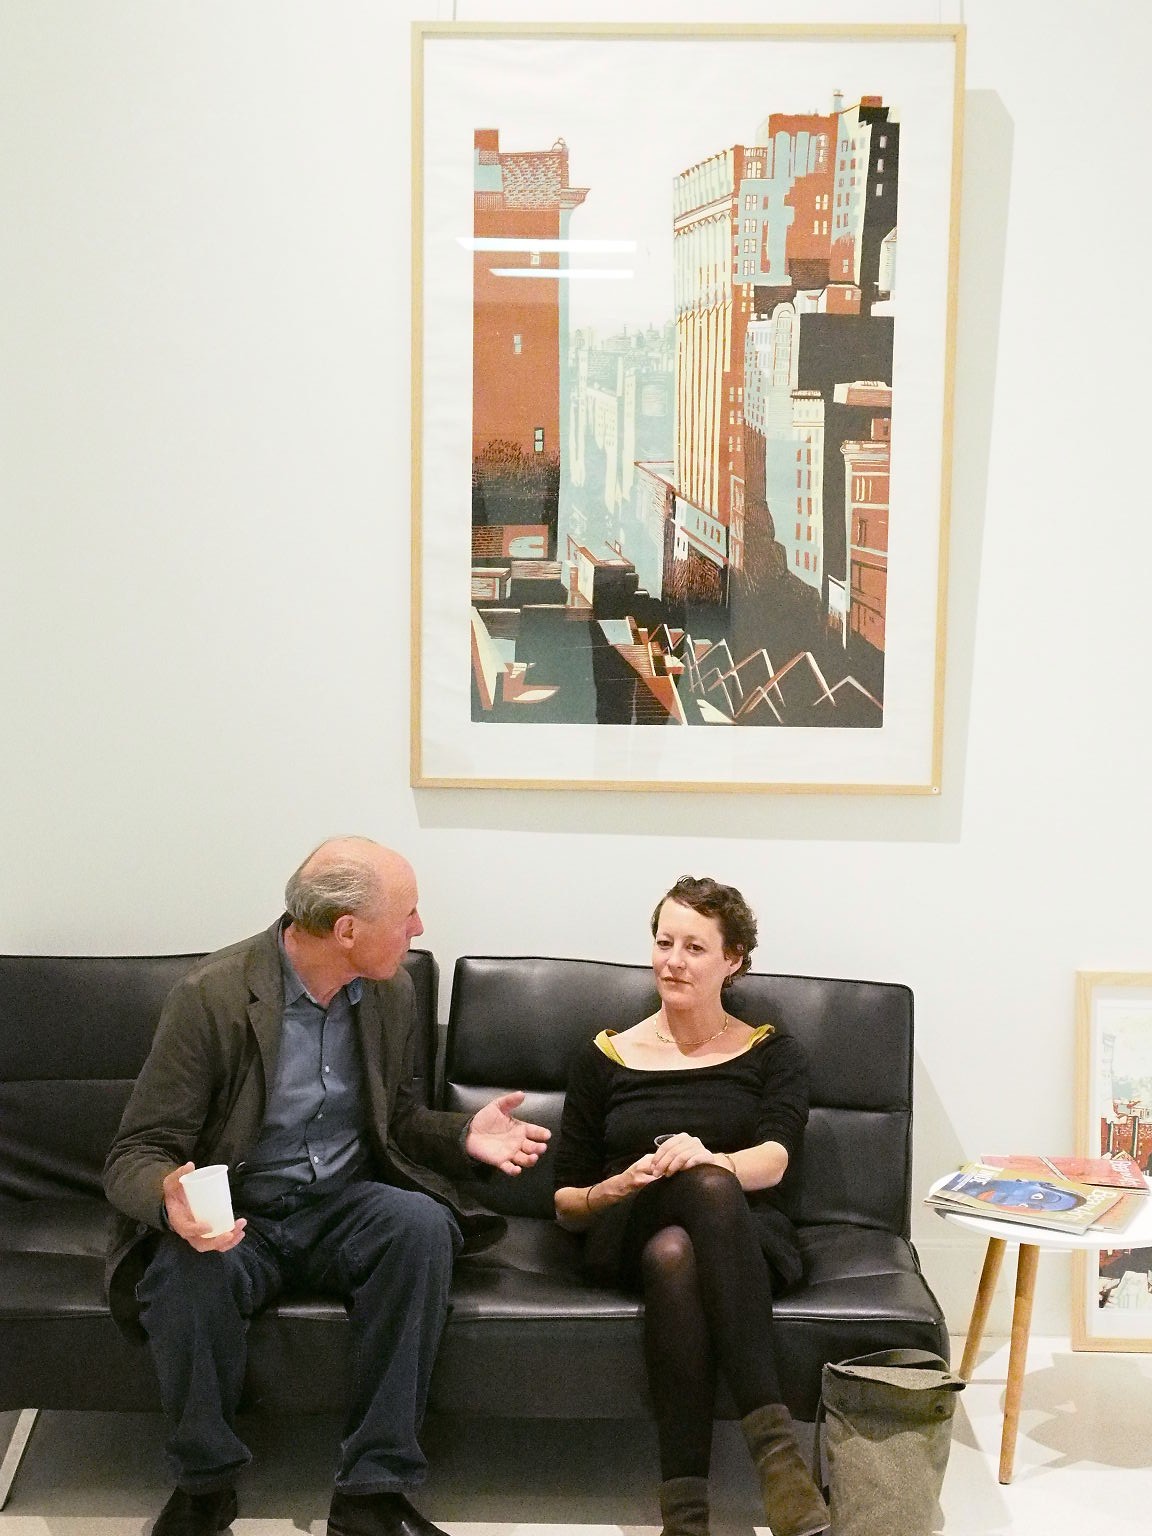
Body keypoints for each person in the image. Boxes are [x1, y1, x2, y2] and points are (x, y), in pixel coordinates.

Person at [104, 836, 550, 1536]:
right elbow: (136, 1150)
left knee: (419, 1226)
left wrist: (464, 1134)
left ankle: (372, 1493)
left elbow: (398, 1120)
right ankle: (205, 1486)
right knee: (184, 1272)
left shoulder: (390, 993)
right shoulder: (212, 998)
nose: (419, 927)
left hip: (342, 1206)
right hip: (242, 1218)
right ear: (346, 931)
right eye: (406, 913)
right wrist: (170, 1196)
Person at [553, 876, 829, 1536]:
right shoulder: (605, 1056)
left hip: (741, 1231)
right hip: (626, 1222)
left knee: (678, 1250)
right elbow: (564, 1200)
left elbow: (775, 1159)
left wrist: (712, 1161)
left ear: (733, 959)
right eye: (664, 943)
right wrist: (618, 1186)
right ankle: (778, 1458)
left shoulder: (771, 1052)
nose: (672, 961)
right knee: (689, 1206)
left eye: (695, 948)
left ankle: (683, 1518)